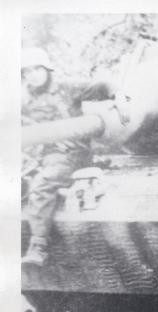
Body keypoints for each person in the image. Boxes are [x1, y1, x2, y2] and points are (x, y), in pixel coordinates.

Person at [21, 47, 93, 267]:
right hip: (43, 155)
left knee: (42, 184)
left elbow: (101, 85)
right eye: (27, 71)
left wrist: (119, 95)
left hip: (71, 153)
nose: (33, 75)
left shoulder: (67, 87)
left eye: (37, 69)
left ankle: (38, 246)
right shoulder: (25, 100)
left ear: (47, 69)